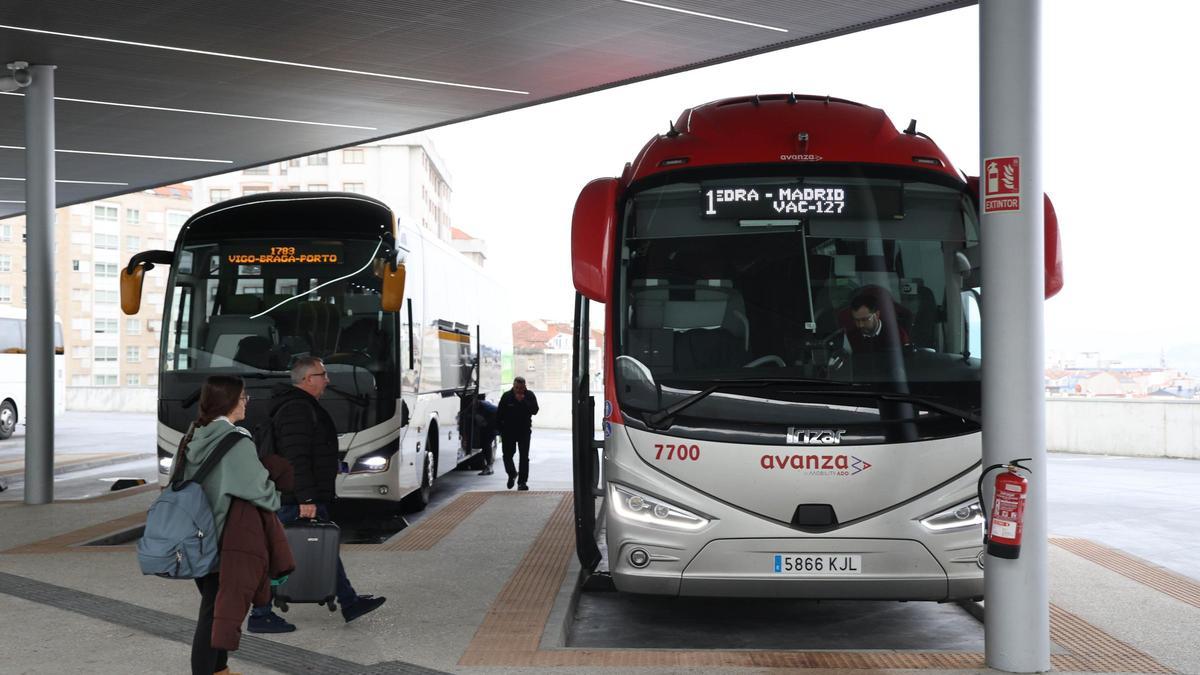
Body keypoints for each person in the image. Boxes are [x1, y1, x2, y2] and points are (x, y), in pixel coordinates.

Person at [247, 356, 386, 632]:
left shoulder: (300, 405)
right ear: (308, 379)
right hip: (296, 497)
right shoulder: (296, 409)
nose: (328, 380)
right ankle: (260, 614)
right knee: (274, 555)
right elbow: (295, 457)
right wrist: (306, 499)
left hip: (301, 495)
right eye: (323, 374)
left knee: (324, 547)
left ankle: (349, 602)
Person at [176, 375, 281, 675]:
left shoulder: (193, 434)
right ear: (232, 401)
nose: (247, 402)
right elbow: (261, 491)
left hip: (194, 536)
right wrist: (276, 494)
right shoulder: (236, 440)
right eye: (244, 397)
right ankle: (207, 671)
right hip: (225, 540)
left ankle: (219, 669)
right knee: (213, 614)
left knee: (218, 608)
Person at [838, 286, 911, 354]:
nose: (860, 325)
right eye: (856, 320)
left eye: (865, 319)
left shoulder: (897, 334)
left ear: (877, 315)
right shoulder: (850, 337)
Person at [497, 377, 539, 491]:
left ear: (525, 386)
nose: (519, 390)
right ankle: (512, 473)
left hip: (524, 431)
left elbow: (535, 410)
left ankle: (522, 482)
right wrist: (499, 430)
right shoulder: (506, 396)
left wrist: (524, 401)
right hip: (508, 432)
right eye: (516, 388)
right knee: (507, 455)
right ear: (513, 386)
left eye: (521, 388)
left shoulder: (529, 395)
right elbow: (499, 414)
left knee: (524, 457)